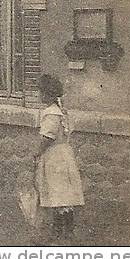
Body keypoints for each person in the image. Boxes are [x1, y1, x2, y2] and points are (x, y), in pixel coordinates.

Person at [34, 74, 85, 244]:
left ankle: (60, 231)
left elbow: (47, 137)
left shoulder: (52, 114)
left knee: (58, 192)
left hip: (55, 156)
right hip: (63, 154)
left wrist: (37, 152)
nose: (39, 96)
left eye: (41, 92)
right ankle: (65, 230)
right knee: (62, 193)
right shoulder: (61, 111)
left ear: (48, 94)